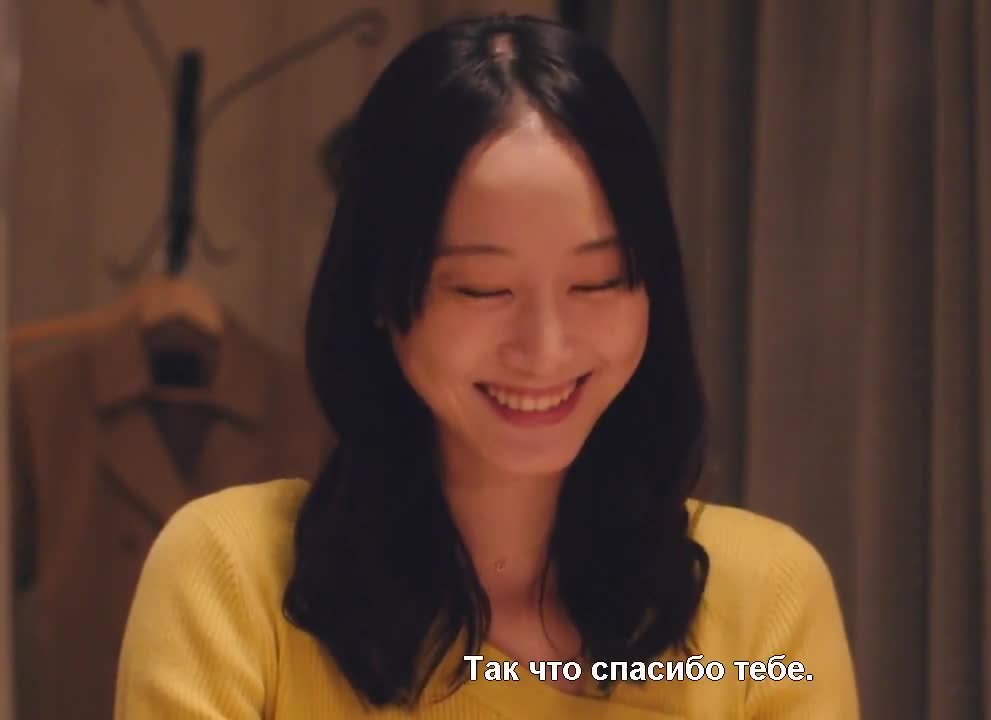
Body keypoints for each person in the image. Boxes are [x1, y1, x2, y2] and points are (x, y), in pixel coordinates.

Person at [113, 13, 860, 719]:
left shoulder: (765, 600)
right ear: (380, 290)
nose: (544, 348)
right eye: (481, 288)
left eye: (597, 282)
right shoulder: (236, 578)